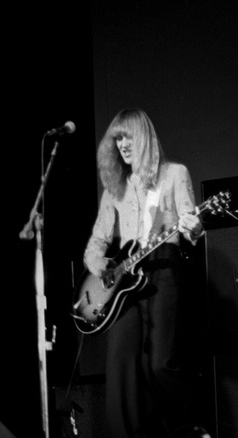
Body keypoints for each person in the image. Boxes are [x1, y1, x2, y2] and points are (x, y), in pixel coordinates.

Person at [83, 108, 209, 438]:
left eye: (128, 136)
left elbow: (190, 226)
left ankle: (189, 430)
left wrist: (193, 226)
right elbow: (96, 243)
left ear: (145, 138)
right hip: (124, 280)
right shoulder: (114, 189)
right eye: (118, 138)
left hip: (163, 270)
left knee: (158, 363)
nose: (123, 144)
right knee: (120, 365)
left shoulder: (174, 174)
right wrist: (102, 268)